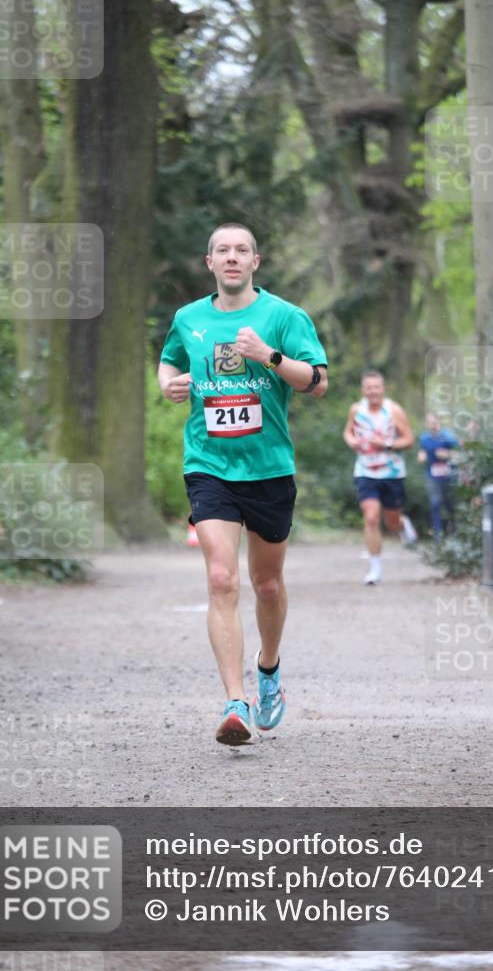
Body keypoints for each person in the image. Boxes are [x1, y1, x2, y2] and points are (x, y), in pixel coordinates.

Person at [158, 223, 328, 745]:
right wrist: (168, 382)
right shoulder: (189, 319)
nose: (232, 258)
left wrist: (270, 357)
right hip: (208, 465)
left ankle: (269, 670)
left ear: (256, 261)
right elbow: (168, 361)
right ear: (208, 262)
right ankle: (236, 702)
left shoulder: (283, 316)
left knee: (268, 585)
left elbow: (318, 383)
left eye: (241, 251)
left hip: (270, 469)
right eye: (222, 251)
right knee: (220, 579)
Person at [343, 372, 414, 585]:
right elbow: (347, 432)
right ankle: (375, 570)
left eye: (376, 387)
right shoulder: (357, 409)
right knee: (371, 517)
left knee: (391, 521)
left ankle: (402, 524)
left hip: (392, 473)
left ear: (383, 389)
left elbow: (409, 439)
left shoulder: (394, 410)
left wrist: (386, 444)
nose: (372, 391)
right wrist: (351, 441)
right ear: (363, 390)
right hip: (365, 471)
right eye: (368, 388)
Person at [417, 411, 459, 539]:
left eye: (433, 422)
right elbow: (422, 452)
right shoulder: (424, 438)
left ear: (438, 421)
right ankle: (438, 535)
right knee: (435, 503)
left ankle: (454, 532)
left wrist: (446, 454)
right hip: (432, 476)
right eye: (429, 422)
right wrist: (421, 456)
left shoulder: (448, 437)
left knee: (449, 504)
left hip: (449, 476)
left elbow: (460, 454)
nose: (431, 425)